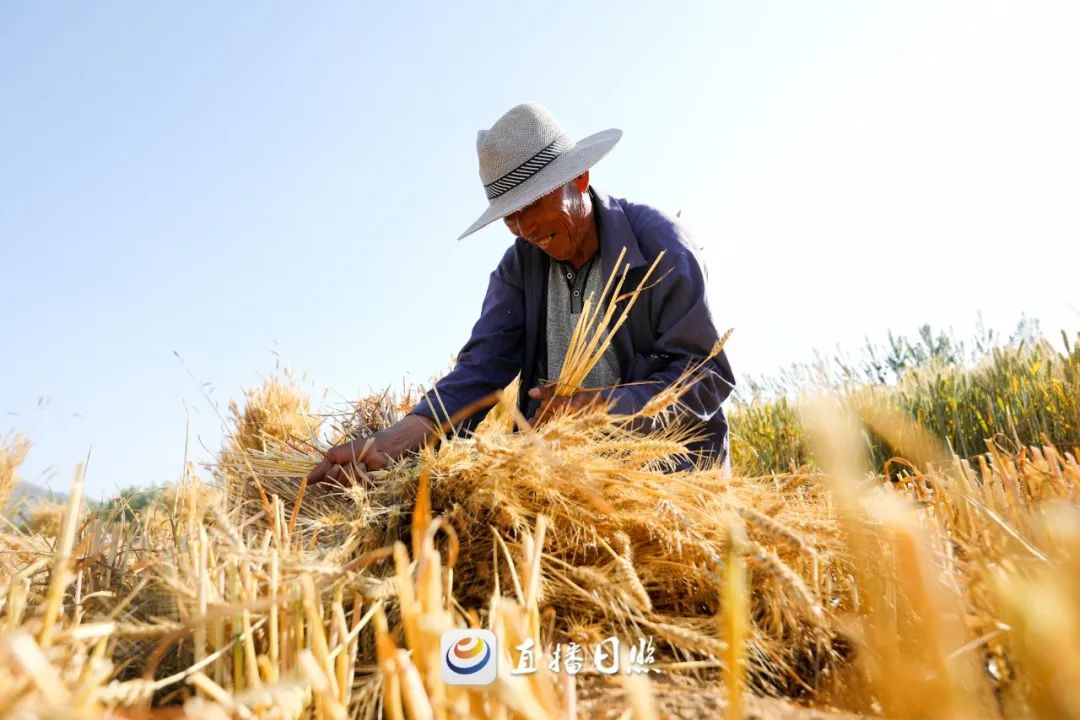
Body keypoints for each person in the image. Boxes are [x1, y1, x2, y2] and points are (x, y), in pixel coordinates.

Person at [307, 102, 735, 485]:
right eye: (510, 217)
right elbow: (481, 371)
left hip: (669, 490)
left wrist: (604, 408)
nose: (524, 229)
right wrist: (394, 440)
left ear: (579, 178)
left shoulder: (661, 247)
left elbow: (705, 374)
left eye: (531, 205)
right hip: (562, 489)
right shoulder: (519, 268)